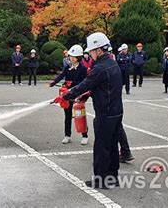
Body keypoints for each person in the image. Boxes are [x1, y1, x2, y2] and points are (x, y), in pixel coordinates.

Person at [55, 32, 124, 189]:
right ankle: (113, 177)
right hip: (116, 111)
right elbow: (101, 86)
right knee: (112, 145)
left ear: (98, 50)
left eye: (91, 51)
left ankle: (101, 180)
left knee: (101, 147)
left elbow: (84, 84)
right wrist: (86, 95)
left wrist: (66, 96)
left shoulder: (99, 68)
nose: (90, 55)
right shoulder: (113, 63)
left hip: (105, 114)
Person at [50, 45, 88, 145]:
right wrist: (54, 82)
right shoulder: (68, 67)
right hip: (68, 94)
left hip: (78, 95)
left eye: (73, 56)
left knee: (80, 115)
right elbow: (62, 75)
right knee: (67, 115)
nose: (71, 58)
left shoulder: (83, 69)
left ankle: (84, 135)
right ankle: (67, 135)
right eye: (70, 56)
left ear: (79, 58)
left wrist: (73, 84)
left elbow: (83, 82)